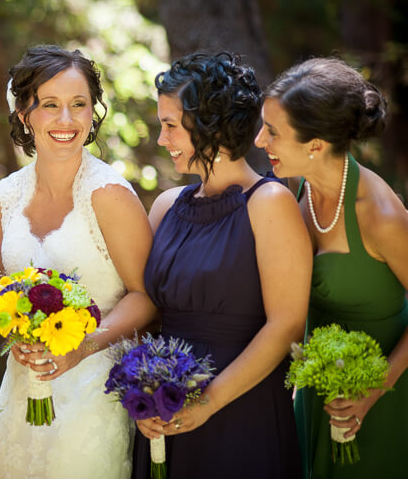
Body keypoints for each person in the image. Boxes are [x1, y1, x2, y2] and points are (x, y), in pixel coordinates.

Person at [133, 52, 312, 479]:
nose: (161, 139)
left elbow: (286, 324)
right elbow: (148, 314)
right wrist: (141, 395)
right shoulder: (164, 207)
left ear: (209, 122)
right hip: (163, 413)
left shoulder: (270, 204)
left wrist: (210, 401)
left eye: (171, 126)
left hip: (241, 412)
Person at [0, 45, 156, 479]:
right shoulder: (0, 201)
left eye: (78, 105)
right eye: (50, 106)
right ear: (25, 114)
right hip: (23, 391)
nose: (66, 120)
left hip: (94, 392)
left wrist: (84, 345)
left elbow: (147, 296)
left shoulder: (110, 196)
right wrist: (15, 334)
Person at [255, 57, 408, 479]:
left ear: (316, 145)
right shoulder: (295, 184)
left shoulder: (379, 215)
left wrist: (372, 393)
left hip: (384, 396)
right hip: (319, 392)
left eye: (271, 132)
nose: (258, 140)